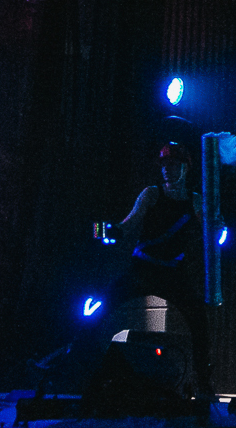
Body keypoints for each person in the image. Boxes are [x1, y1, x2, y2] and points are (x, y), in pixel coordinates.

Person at [89, 136, 214, 397]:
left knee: (198, 321)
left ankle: (203, 383)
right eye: (164, 165)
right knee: (100, 309)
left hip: (173, 274)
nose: (167, 169)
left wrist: (218, 226)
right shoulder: (151, 194)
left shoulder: (195, 201)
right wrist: (102, 230)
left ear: (185, 167)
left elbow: (210, 230)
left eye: (173, 164)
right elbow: (127, 225)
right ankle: (76, 365)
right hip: (142, 270)